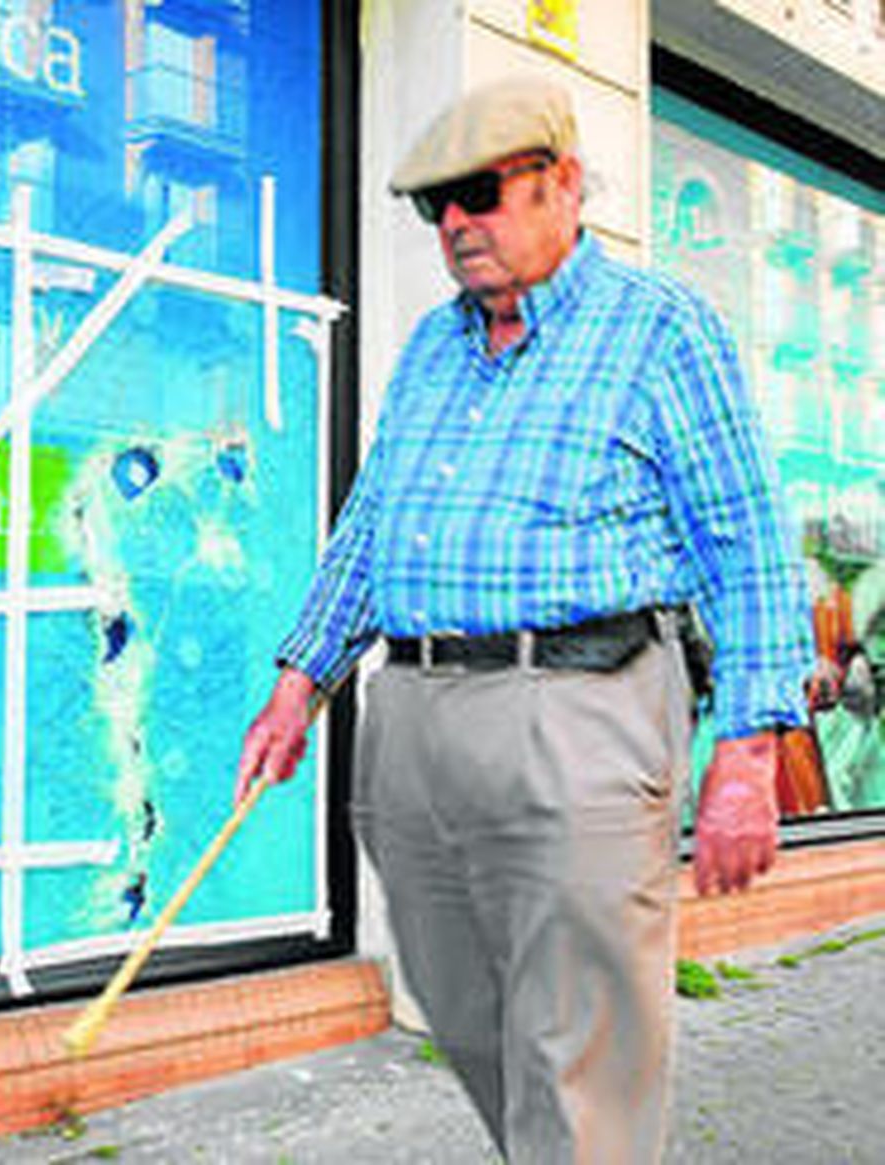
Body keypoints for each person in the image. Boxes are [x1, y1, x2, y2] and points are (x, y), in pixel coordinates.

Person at [235, 77, 812, 1164]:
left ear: (565, 184)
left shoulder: (659, 327)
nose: (457, 223)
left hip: (579, 708)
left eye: (480, 192)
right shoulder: (430, 349)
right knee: (464, 1008)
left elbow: (744, 538)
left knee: (579, 1037)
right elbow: (371, 529)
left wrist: (746, 751)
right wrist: (298, 682)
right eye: (434, 205)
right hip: (410, 717)